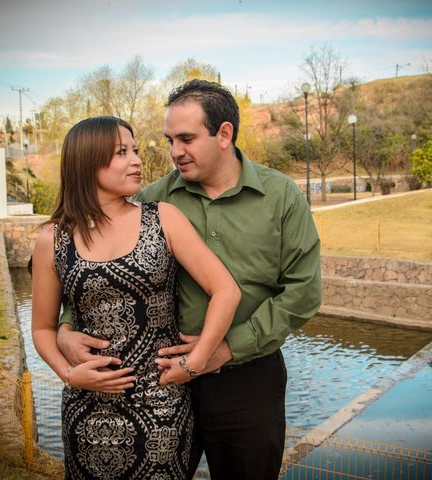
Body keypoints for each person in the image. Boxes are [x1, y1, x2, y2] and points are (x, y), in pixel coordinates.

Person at [58, 80, 322, 479]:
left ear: (224, 134)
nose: (174, 152)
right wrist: (65, 327)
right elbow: (98, 272)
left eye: (186, 138)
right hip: (162, 384)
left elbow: (302, 294)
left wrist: (225, 349)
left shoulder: (281, 195)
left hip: (247, 382)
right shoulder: (152, 201)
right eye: (169, 140)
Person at [32, 116, 241, 479]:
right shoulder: (52, 238)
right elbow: (42, 329)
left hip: (161, 407)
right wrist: (69, 374)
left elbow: (226, 290)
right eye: (121, 153)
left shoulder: (163, 218)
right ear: (87, 162)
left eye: (135, 150)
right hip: (87, 412)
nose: (136, 160)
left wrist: (196, 361)